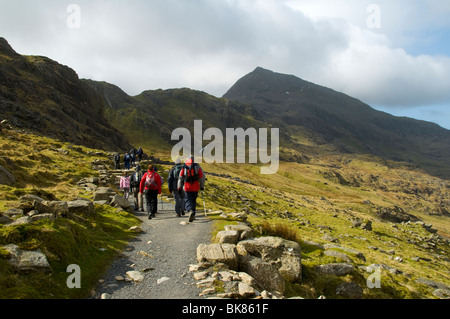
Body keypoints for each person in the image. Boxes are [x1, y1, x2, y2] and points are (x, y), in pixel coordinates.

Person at [178, 155, 205, 222]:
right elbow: (202, 177)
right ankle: (193, 214)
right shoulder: (197, 166)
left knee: (188, 200)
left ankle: (190, 211)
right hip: (195, 186)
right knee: (193, 200)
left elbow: (180, 178)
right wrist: (202, 186)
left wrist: (179, 187)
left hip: (187, 186)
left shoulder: (184, 167)